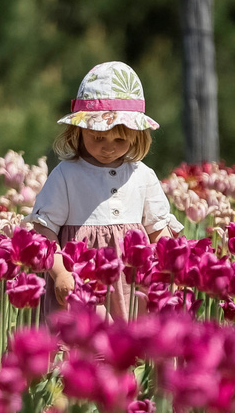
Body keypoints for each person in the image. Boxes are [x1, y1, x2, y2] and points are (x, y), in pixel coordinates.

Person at [24, 61, 183, 322]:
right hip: (80, 280)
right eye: (98, 137)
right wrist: (61, 273)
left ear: (136, 136)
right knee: (88, 349)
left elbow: (158, 230)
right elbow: (44, 232)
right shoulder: (67, 174)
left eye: (119, 139)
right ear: (80, 130)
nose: (108, 147)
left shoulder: (142, 175)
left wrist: (171, 267)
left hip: (132, 283)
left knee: (128, 350)